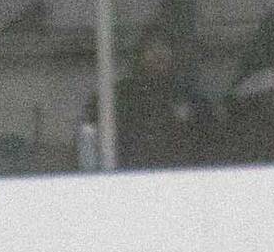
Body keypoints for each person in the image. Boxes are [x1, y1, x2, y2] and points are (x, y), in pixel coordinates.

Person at [84, 25, 216, 169]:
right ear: (139, 55)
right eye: (151, 48)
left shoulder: (189, 98)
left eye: (165, 47)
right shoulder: (118, 97)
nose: (158, 54)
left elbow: (207, 147)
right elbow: (93, 139)